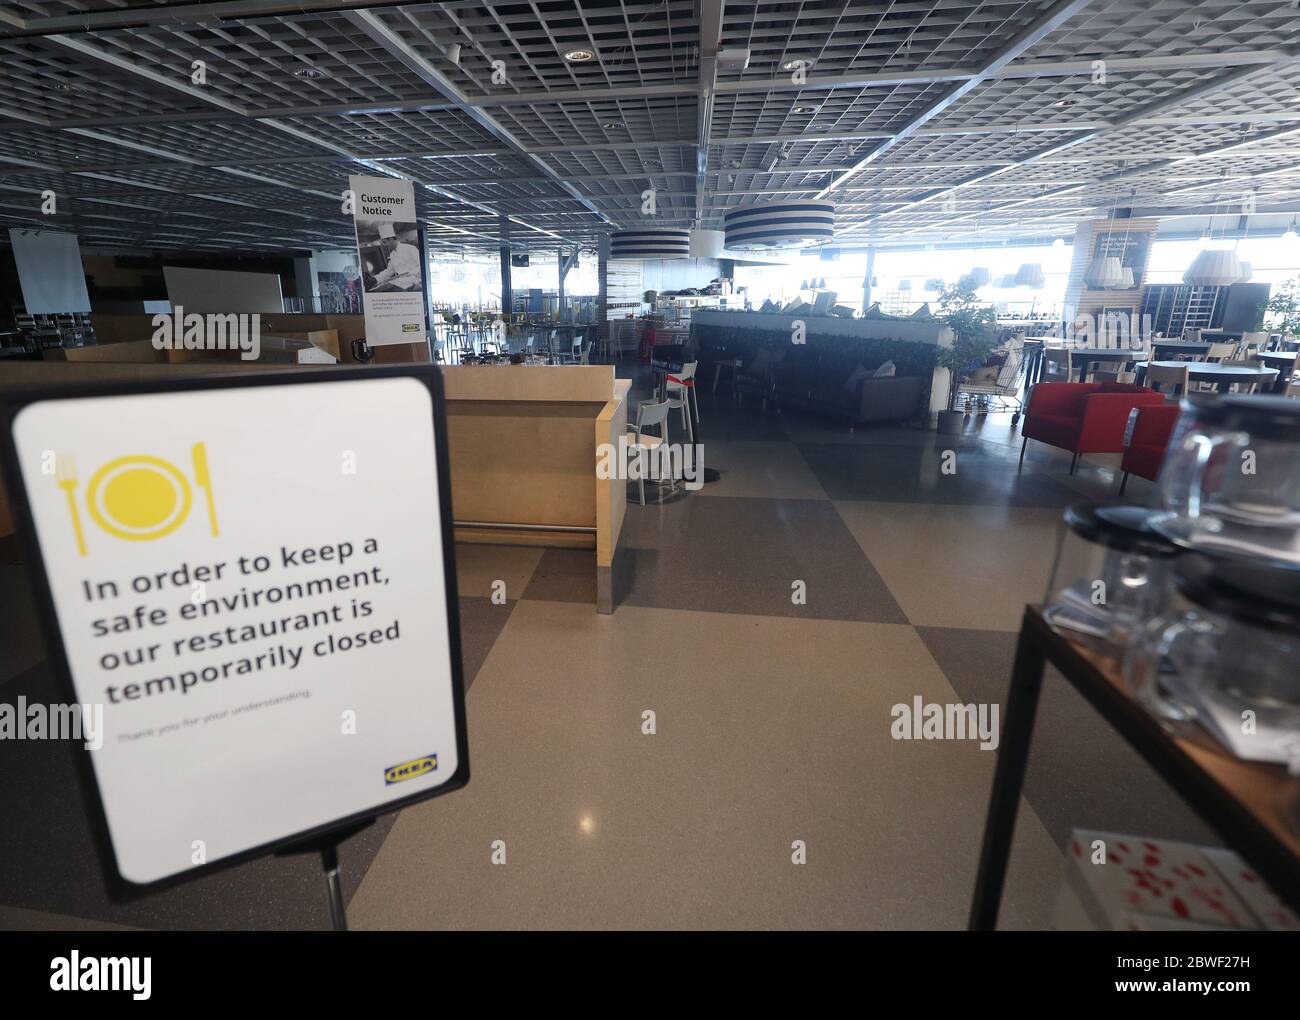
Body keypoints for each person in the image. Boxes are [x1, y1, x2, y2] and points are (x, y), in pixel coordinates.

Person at [372, 222, 421, 288]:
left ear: (391, 239)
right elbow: (389, 271)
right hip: (402, 284)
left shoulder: (410, 248)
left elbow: (421, 265)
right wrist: (375, 279)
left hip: (415, 282)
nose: (384, 245)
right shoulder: (392, 255)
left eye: (384, 242)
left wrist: (410, 273)